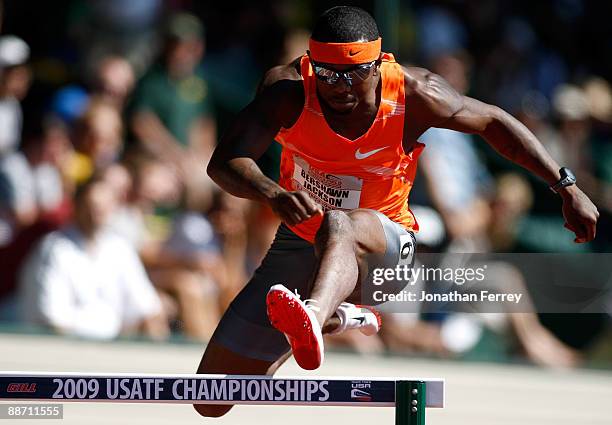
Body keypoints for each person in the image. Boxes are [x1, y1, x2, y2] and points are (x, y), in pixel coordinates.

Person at [194, 6, 599, 418]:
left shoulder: (415, 93)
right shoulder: (288, 90)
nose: (338, 86)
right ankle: (341, 317)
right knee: (211, 398)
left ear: (377, 63)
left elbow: (494, 123)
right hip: (303, 244)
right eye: (328, 74)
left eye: (353, 73)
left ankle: (315, 316)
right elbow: (225, 161)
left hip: (386, 254)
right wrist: (272, 194)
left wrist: (566, 187)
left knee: (341, 220)